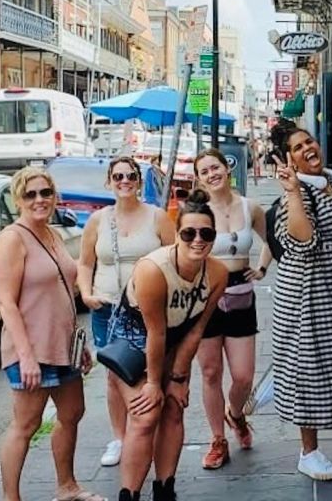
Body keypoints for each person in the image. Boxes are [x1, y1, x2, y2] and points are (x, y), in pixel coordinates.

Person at [109, 190, 227, 501]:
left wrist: (176, 379)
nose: (197, 240)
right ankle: (129, 494)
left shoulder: (217, 273)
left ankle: (165, 490)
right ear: (177, 235)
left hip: (177, 337)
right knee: (146, 413)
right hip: (134, 338)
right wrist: (152, 383)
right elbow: (154, 332)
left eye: (206, 233)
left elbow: (197, 328)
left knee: (174, 407)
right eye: (189, 233)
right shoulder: (153, 269)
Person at [0, 167, 101, 501]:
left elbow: (63, 291)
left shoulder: (52, 234)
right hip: (31, 349)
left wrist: (78, 339)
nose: (39, 200)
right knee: (26, 425)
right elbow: (5, 302)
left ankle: (66, 486)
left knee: (71, 414)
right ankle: (11, 497)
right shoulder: (13, 238)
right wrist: (25, 356)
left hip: (63, 345)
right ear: (19, 199)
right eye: (30, 194)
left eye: (45, 193)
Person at [270, 120, 332, 481]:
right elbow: (303, 238)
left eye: (309, 140)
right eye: (297, 148)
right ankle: (307, 450)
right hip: (309, 294)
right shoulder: (294, 192)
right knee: (307, 367)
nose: (308, 148)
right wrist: (293, 191)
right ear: (288, 160)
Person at [77, 156, 176, 467]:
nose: (124, 181)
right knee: (114, 375)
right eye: (117, 176)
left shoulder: (157, 217)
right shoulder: (99, 221)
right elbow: (85, 262)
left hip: (149, 309)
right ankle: (120, 437)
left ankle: (149, 431)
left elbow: (175, 258)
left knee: (153, 371)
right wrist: (86, 292)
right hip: (107, 307)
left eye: (130, 175)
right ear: (109, 181)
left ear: (139, 181)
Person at [193, 148, 273, 469]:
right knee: (211, 372)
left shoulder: (248, 207)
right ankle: (217, 440)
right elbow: (181, 252)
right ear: (198, 179)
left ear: (228, 169)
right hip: (206, 294)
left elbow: (272, 241)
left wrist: (262, 269)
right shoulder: (197, 212)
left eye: (216, 167)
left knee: (242, 376)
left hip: (241, 293)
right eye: (204, 171)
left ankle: (235, 413)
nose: (212, 174)